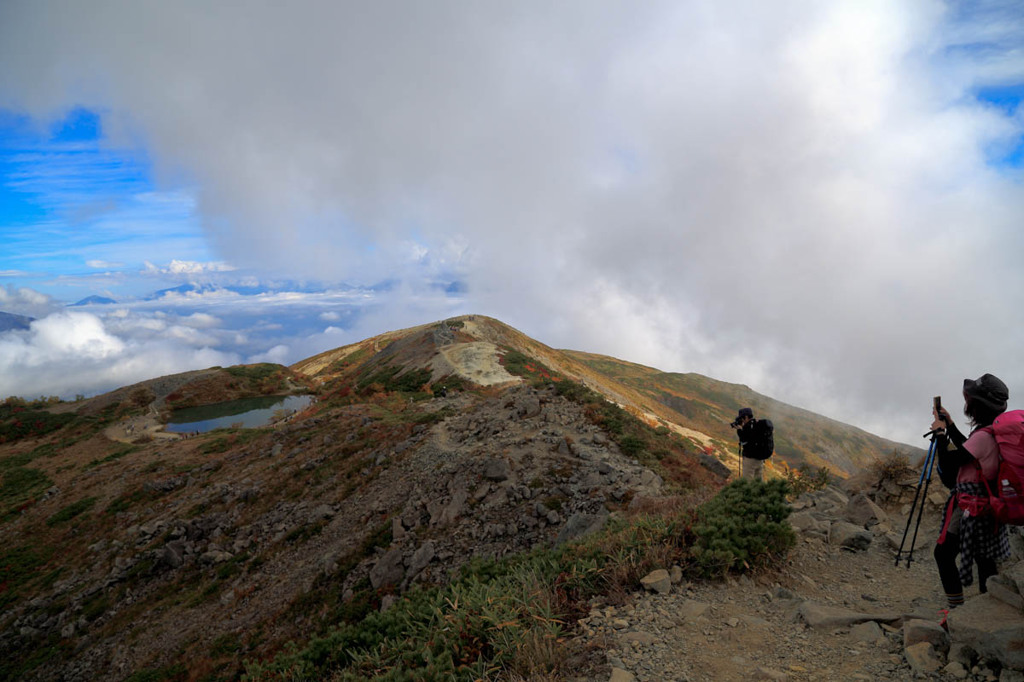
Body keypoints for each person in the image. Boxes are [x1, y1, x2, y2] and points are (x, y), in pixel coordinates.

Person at [931, 374, 1011, 611]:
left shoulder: (983, 437)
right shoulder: (991, 432)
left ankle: (955, 612)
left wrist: (939, 435)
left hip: (970, 506)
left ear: (976, 404)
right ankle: (990, 610)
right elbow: (970, 449)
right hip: (989, 504)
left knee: (943, 554)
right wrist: (951, 426)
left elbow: (950, 463)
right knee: (984, 557)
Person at [733, 407, 770, 480]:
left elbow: (743, 440)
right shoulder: (757, 425)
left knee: (747, 483)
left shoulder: (748, 427)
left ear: (746, 417)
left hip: (750, 460)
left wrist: (739, 430)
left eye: (742, 418)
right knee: (757, 483)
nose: (742, 420)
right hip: (760, 460)